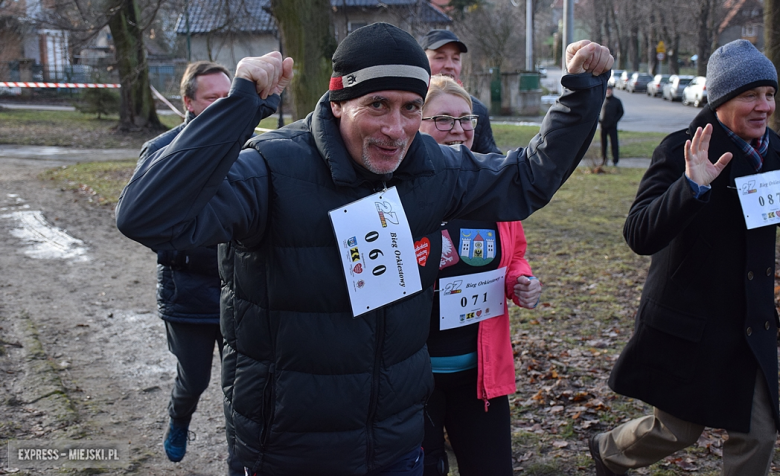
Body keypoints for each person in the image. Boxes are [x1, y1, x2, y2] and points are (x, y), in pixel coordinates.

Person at [116, 22, 612, 476]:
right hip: (289, 452)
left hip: (395, 445)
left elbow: (526, 180)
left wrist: (581, 94)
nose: (395, 129)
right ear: (337, 103)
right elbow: (149, 215)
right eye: (376, 105)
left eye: (411, 108)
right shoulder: (269, 168)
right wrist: (242, 102)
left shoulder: (430, 167)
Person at [588, 39, 779, 476]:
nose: (764, 106)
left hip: (750, 324)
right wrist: (691, 187)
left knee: (759, 433)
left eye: (769, 94)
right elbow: (639, 234)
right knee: (678, 430)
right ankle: (609, 451)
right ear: (719, 102)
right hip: (691, 325)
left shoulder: (776, 155)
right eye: (750, 95)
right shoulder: (680, 151)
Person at [418, 75, 542, 476]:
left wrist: (519, 282)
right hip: (412, 381)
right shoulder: (397, 195)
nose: (458, 129)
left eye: (466, 118)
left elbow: (514, 255)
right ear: (416, 125)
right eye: (443, 120)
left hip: (480, 378)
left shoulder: (493, 189)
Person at [139, 61, 242, 475]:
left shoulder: (246, 147)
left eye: (228, 98)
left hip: (241, 293)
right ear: (188, 102)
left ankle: (243, 454)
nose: (222, 106)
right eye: (212, 98)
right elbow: (154, 228)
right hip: (188, 295)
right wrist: (210, 249)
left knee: (242, 388)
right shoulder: (162, 151)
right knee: (194, 380)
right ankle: (179, 420)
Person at [420, 29, 502, 155]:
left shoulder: (478, 109)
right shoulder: (403, 103)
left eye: (455, 58)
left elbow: (491, 161)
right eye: (440, 57)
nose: (449, 65)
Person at [599, 84, 623, 166]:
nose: (608, 91)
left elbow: (621, 112)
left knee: (614, 144)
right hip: (603, 126)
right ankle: (604, 159)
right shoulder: (602, 100)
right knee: (603, 144)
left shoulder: (617, 101)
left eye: (609, 90)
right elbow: (597, 112)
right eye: (607, 90)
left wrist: (615, 120)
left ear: (612, 91)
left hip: (612, 126)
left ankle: (615, 160)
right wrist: (599, 120)